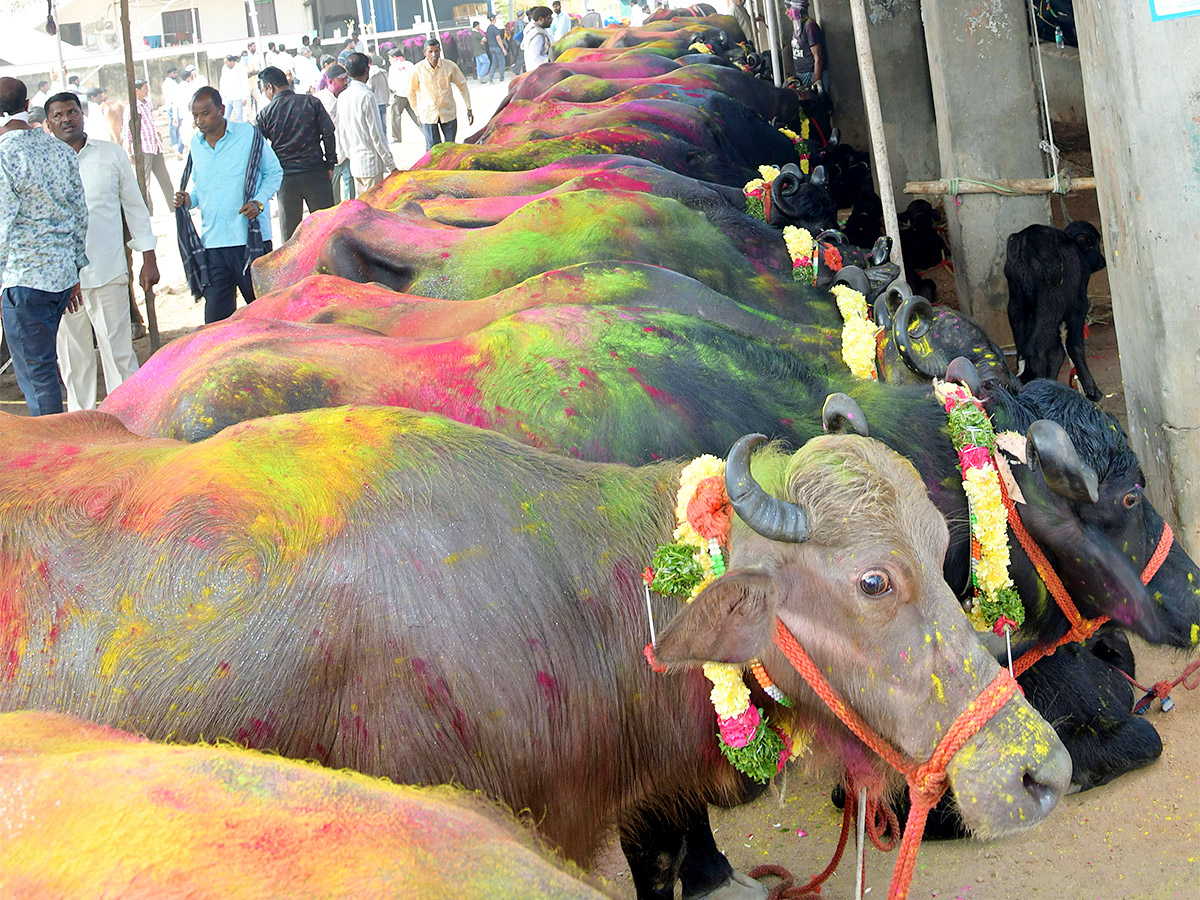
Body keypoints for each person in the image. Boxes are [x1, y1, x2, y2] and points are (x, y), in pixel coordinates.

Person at [45, 92, 158, 411]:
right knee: (73, 361)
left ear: (83, 114)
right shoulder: (43, 162)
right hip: (62, 283)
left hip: (107, 271)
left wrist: (148, 256)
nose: (66, 119)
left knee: (118, 355)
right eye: (58, 115)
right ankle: (82, 426)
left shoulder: (111, 155)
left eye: (72, 111)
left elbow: (135, 208)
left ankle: (129, 419)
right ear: (48, 123)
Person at [0, 78, 89, 416]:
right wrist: (76, 269)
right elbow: (80, 214)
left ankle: (56, 455)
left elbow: (2, 225)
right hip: (61, 279)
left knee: (38, 378)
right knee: (46, 371)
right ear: (27, 107)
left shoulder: (4, 156)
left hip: (23, 280)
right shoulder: (60, 150)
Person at [173, 85, 282, 323]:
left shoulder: (249, 135)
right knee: (216, 322)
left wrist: (258, 203)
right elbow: (202, 190)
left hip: (250, 241)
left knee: (266, 315)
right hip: (213, 244)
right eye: (195, 115)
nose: (199, 120)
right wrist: (188, 200)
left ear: (222, 109)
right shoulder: (196, 146)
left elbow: (274, 173)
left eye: (205, 113)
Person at [256, 66, 336, 242]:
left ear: (270, 87)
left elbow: (257, 148)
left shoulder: (265, 114)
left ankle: (295, 269)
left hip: (286, 180)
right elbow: (329, 133)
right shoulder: (311, 102)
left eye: (265, 91)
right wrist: (330, 164)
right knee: (327, 230)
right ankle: (330, 267)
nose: (266, 95)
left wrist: (269, 176)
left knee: (290, 236)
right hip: (315, 173)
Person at [337, 53, 396, 194]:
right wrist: (391, 165)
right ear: (366, 70)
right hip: (371, 165)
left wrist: (349, 154)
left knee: (363, 208)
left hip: (356, 163)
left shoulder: (343, 96)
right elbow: (377, 135)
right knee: (374, 209)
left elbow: (342, 131)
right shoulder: (366, 96)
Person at [408, 40, 473, 153]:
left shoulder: (449, 66)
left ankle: (451, 170)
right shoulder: (417, 69)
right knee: (433, 149)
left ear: (440, 51)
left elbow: (462, 85)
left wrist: (468, 107)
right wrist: (417, 113)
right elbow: (410, 92)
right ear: (425, 53)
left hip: (448, 112)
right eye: (430, 52)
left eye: (436, 51)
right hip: (428, 115)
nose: (434, 55)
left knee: (450, 147)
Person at [121, 79, 174, 215]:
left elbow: (150, 123)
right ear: (136, 91)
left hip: (154, 146)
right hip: (143, 149)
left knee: (165, 179)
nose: (147, 90)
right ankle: (148, 213)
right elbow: (128, 130)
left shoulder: (148, 104)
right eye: (145, 88)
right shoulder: (131, 108)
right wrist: (129, 151)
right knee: (145, 183)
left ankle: (174, 208)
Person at [315, 63, 353, 203]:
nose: (345, 82)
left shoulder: (348, 96)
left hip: (348, 152)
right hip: (330, 156)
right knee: (332, 198)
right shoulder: (319, 100)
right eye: (342, 79)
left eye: (346, 79)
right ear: (330, 81)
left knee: (351, 195)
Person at [788, 0, 828, 93]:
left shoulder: (810, 27)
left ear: (797, 9)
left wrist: (816, 82)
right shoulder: (798, 26)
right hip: (802, 76)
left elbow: (818, 57)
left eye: (788, 9)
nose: (786, 12)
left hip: (811, 75)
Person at [387, 48, 419, 141]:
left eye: (390, 58)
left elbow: (391, 81)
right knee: (416, 114)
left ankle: (396, 137)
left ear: (394, 57)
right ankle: (426, 132)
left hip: (400, 94)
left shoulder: (393, 67)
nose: (389, 60)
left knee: (395, 115)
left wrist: (393, 89)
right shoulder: (409, 64)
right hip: (411, 93)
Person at [219, 55, 250, 122]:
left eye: (226, 62)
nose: (225, 64)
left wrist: (244, 97)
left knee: (238, 117)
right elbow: (222, 82)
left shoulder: (240, 68)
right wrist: (222, 95)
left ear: (232, 61)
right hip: (227, 97)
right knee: (224, 117)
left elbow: (245, 83)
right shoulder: (224, 68)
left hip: (237, 97)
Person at [524, 6, 555, 72]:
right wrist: (550, 62)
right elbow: (535, 57)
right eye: (548, 18)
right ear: (541, 19)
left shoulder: (539, 30)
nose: (551, 21)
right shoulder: (537, 35)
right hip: (536, 71)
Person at [367, 55, 390, 136]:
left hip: (375, 102)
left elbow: (369, 89)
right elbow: (387, 87)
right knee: (383, 123)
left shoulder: (370, 74)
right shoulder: (383, 72)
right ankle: (385, 139)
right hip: (383, 101)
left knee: (376, 124)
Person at [161, 67, 183, 151]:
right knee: (173, 125)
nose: (176, 74)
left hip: (176, 105)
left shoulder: (174, 82)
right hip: (171, 106)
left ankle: (177, 141)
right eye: (174, 73)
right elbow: (170, 96)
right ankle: (174, 143)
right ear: (169, 73)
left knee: (177, 125)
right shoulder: (167, 84)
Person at [485, 14, 508, 84]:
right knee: (501, 62)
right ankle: (501, 78)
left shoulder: (488, 28)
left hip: (491, 47)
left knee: (494, 63)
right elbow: (498, 38)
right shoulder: (495, 29)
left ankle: (490, 79)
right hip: (497, 47)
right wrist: (503, 49)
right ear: (494, 19)